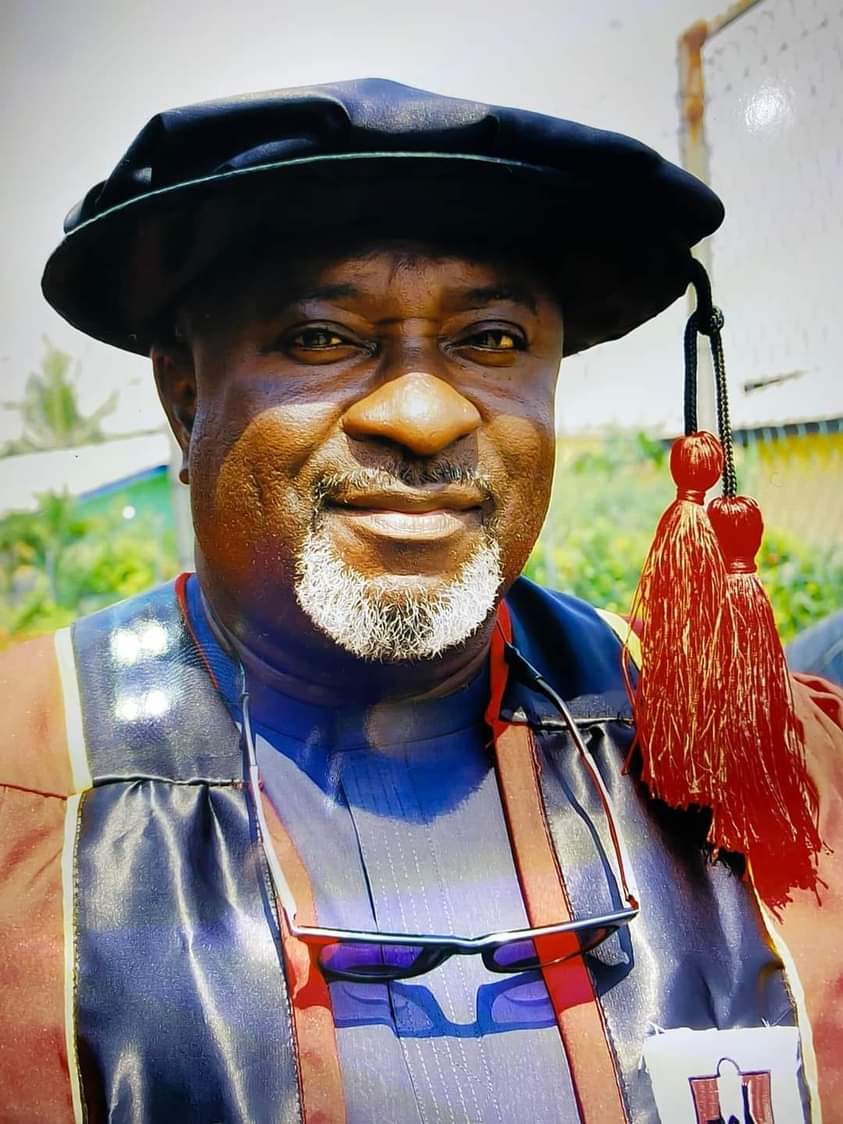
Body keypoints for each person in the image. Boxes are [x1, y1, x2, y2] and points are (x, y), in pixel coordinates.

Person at [1, 78, 841, 1124]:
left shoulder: (759, 758)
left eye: (490, 339)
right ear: (185, 397)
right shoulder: (27, 782)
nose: (422, 413)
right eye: (320, 336)